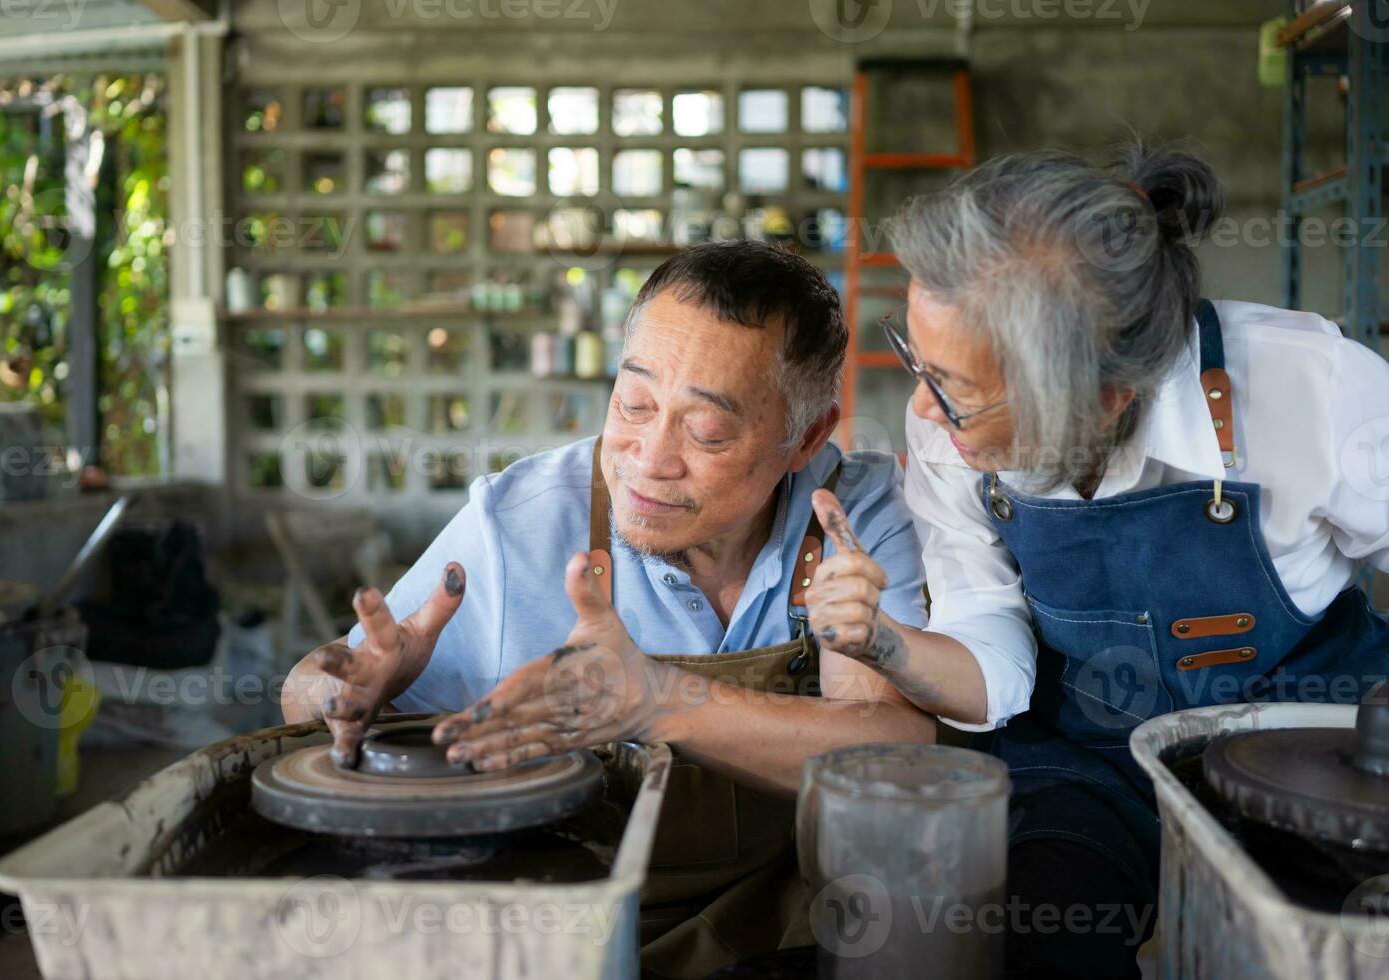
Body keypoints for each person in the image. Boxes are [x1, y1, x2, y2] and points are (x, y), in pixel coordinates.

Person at [756, 143, 1389, 978]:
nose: (919, 407)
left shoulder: (1313, 389)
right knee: (1029, 939)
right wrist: (887, 645)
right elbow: (992, 647)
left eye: (953, 386)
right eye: (919, 361)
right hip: (1090, 757)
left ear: (1101, 397)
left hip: (1309, 740)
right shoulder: (950, 438)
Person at [282, 240, 934, 977]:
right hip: (567, 935)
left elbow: (895, 755)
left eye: (707, 431)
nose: (648, 458)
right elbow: (309, 696)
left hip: (792, 930)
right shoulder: (513, 525)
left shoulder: (848, 511)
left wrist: (658, 702)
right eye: (635, 403)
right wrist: (339, 690)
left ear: (805, 438)